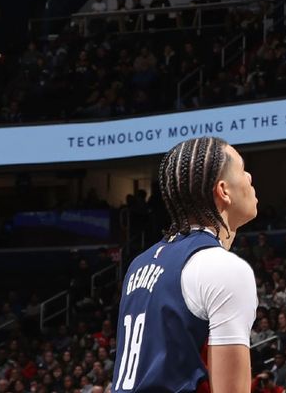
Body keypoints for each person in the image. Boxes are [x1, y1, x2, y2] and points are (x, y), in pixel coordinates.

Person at [111, 137, 259, 393]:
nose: (250, 178)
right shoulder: (223, 268)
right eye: (243, 169)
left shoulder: (139, 264)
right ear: (223, 191)